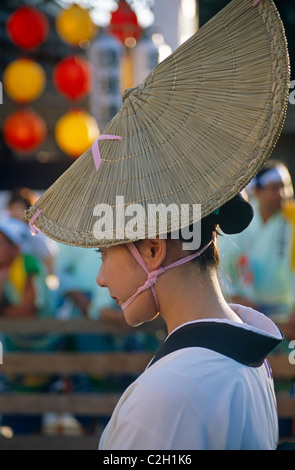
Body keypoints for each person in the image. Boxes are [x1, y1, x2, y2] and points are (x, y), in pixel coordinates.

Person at [25, 0, 289, 450]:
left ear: (152, 248)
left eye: (103, 251)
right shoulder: (248, 355)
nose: (101, 277)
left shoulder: (169, 393)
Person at [218, 160, 295, 438]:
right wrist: (232, 295)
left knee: (286, 386)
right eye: (275, 187)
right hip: (247, 317)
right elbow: (221, 269)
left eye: (285, 187)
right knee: (254, 384)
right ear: (259, 191)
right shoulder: (242, 225)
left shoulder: (293, 220)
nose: (282, 194)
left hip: (288, 319)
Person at [0, 217, 63, 435]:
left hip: (37, 349)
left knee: (28, 418)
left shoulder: (29, 263)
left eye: (1, 242)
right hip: (13, 354)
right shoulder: (6, 270)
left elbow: (29, 309)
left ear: (15, 247)